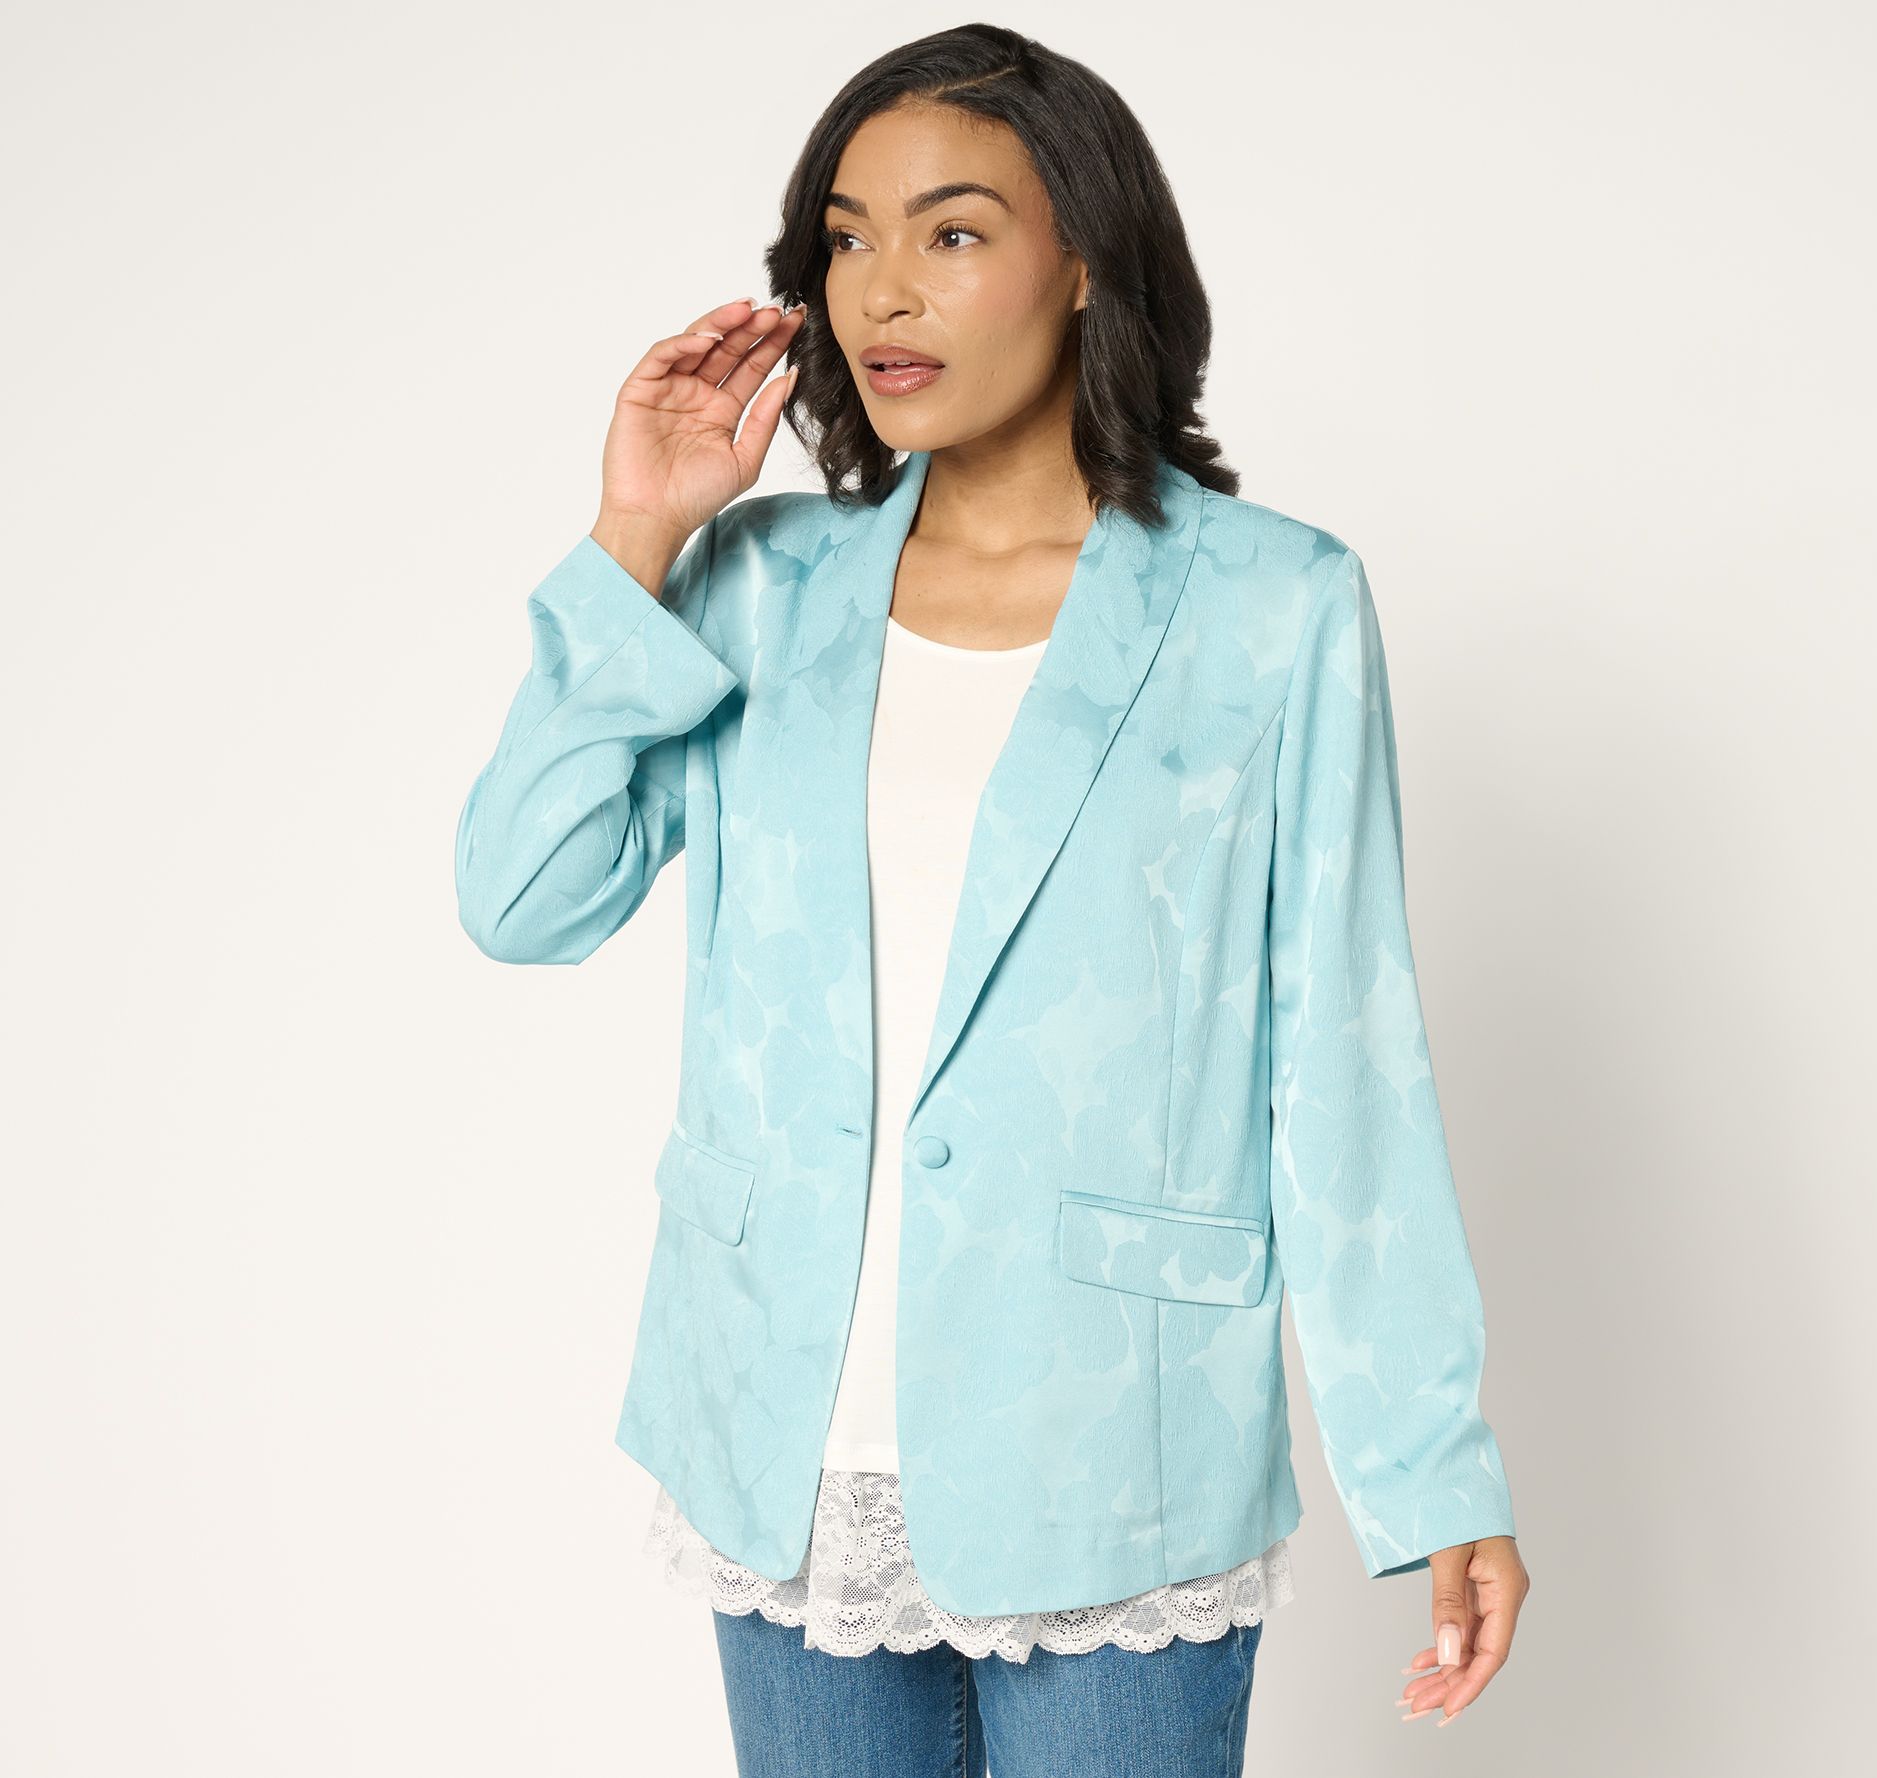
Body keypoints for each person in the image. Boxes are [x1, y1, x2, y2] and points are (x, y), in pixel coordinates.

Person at [455, 23, 1529, 1776]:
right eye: (848, 236)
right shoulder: (757, 585)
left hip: (1115, 1453)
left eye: (952, 231)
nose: (885, 287)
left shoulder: (1275, 610)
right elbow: (523, 891)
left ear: (1086, 258)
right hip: (785, 1450)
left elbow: (1348, 1059)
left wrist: (1434, 1469)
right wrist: (635, 537)